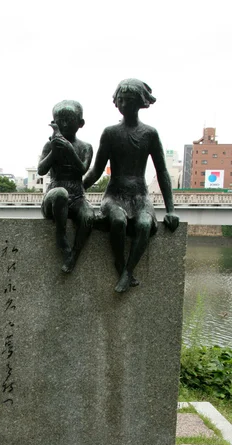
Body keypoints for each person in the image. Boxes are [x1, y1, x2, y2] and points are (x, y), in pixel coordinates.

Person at [83, 79, 179, 292]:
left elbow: (162, 172)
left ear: (140, 103)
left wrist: (171, 210)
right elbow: (96, 171)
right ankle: (119, 263)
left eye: (129, 100)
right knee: (117, 220)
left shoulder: (150, 134)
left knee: (144, 225)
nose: (124, 104)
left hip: (139, 196)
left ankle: (127, 272)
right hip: (114, 195)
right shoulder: (110, 133)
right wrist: (78, 189)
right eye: (121, 100)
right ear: (116, 102)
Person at [38, 100, 94, 273]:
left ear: (80, 123)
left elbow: (83, 169)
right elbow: (41, 170)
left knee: (89, 217)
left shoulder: (85, 147)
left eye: (69, 120)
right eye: (60, 121)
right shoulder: (50, 145)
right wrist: (54, 152)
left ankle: (73, 256)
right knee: (61, 193)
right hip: (55, 195)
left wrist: (69, 150)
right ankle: (61, 236)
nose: (64, 124)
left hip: (77, 195)